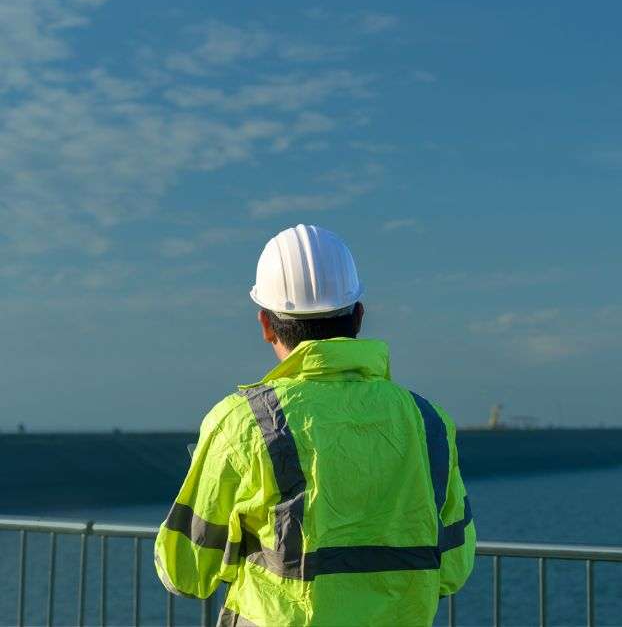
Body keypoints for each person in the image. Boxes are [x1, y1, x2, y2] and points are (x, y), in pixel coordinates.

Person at [155, 224, 475, 626]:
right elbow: (453, 568)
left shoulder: (243, 422)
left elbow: (184, 572)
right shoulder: (428, 422)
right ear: (359, 316)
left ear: (265, 324)